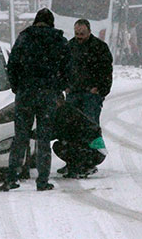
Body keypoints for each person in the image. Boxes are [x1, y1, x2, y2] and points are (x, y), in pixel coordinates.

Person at [0, 8, 70, 192]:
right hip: (48, 94)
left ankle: (12, 178)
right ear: (51, 22)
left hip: (26, 94)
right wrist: (58, 87)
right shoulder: (58, 40)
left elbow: (12, 65)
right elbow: (67, 68)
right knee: (44, 139)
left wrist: (17, 87)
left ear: (36, 21)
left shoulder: (24, 38)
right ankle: (42, 181)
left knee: (20, 137)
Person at [63, 19, 113, 176]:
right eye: (77, 33)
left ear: (89, 31)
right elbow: (63, 68)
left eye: (82, 34)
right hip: (74, 94)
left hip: (91, 96)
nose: (79, 36)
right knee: (70, 130)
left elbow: (106, 71)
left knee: (90, 129)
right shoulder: (70, 47)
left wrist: (100, 90)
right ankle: (72, 162)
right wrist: (66, 86)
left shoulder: (100, 48)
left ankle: (91, 161)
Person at [52, 101, 107, 178]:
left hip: (92, 152)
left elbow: (55, 132)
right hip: (95, 151)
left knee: (63, 145)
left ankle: (82, 167)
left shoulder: (65, 114)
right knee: (65, 144)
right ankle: (78, 165)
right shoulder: (70, 111)